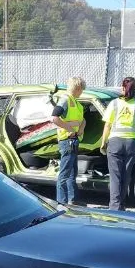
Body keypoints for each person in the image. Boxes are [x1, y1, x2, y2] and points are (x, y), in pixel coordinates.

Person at [99, 76, 135, 210]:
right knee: (126, 175)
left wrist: (103, 143)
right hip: (130, 142)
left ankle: (115, 206)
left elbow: (107, 125)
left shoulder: (114, 103)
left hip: (115, 142)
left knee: (115, 176)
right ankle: (122, 205)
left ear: (123, 87)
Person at [51, 77, 86, 206]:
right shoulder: (65, 100)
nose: (82, 92)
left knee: (72, 172)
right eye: (82, 89)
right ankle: (62, 202)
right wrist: (70, 128)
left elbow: (82, 120)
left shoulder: (76, 102)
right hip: (67, 140)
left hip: (74, 140)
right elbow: (54, 118)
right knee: (65, 173)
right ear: (77, 88)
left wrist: (81, 128)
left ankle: (73, 200)